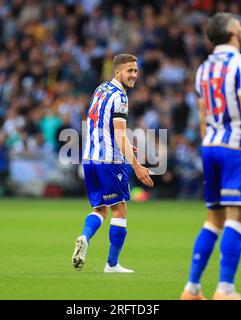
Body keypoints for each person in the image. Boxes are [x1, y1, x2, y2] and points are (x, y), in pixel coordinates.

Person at [180, 13, 241, 300]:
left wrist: (210, 142)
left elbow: (204, 118)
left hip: (210, 146)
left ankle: (192, 288)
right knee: (237, 219)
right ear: (232, 30)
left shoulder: (203, 69)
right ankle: (225, 289)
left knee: (213, 220)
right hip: (236, 147)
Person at [72, 54, 154, 273]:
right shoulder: (121, 97)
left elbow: (100, 125)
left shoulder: (101, 89)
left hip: (90, 158)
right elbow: (118, 134)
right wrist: (136, 165)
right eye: (129, 71)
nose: (134, 75)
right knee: (119, 210)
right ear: (118, 71)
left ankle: (85, 236)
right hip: (109, 160)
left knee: (100, 209)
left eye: (136, 71)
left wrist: (124, 144)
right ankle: (112, 264)